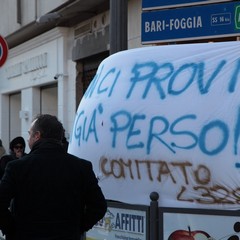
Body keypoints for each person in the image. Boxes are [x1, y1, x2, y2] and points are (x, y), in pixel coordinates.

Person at [0, 114, 107, 240]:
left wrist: (13, 230)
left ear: (37, 135)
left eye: (29, 134)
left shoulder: (17, 167)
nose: (28, 138)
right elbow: (99, 206)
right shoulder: (81, 167)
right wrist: (77, 227)